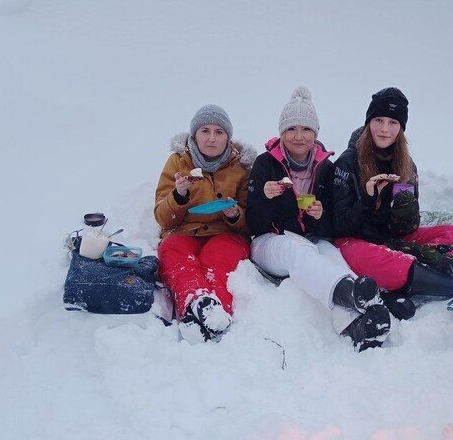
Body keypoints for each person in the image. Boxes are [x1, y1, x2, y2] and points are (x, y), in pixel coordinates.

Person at [332, 87, 453, 315]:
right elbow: (338, 224)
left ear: (401, 128)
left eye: (393, 122)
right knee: (371, 256)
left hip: (392, 240)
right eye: (378, 120)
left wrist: (406, 209)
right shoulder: (347, 163)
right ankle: (450, 285)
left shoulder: (406, 165)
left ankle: (413, 274)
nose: (384, 129)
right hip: (354, 241)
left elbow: (406, 229)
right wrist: (368, 199)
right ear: (368, 123)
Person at [246, 87, 391, 351]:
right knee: (297, 252)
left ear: (316, 133)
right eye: (291, 129)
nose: (298, 137)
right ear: (281, 133)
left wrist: (320, 215)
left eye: (306, 129)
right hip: (270, 242)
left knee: (331, 255)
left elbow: (330, 228)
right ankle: (349, 291)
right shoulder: (265, 164)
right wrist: (264, 199)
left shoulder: (326, 168)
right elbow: (253, 225)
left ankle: (356, 325)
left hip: (311, 238)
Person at [154, 104, 256, 342]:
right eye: (205, 131)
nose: (211, 139)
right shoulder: (178, 162)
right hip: (185, 232)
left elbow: (251, 220)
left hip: (225, 234)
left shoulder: (242, 167)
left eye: (219, 132)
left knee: (215, 262)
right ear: (194, 135)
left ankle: (217, 313)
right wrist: (178, 196)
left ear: (228, 137)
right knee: (174, 254)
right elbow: (161, 216)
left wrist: (235, 214)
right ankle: (194, 303)